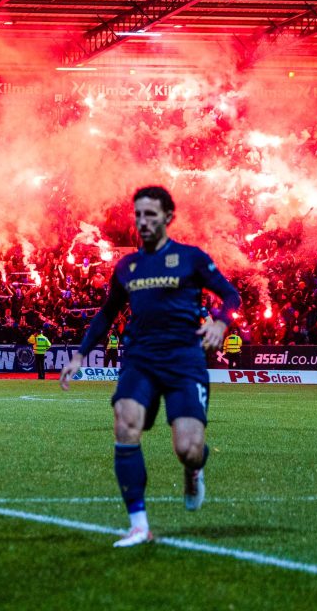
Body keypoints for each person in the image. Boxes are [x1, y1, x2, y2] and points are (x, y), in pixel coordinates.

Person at [60, 186, 240, 548]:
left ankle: (194, 468)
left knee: (187, 448)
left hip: (184, 360)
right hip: (140, 358)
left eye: (150, 215)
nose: (142, 221)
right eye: (138, 214)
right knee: (126, 424)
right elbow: (107, 313)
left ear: (168, 217)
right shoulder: (127, 267)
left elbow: (231, 295)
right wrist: (80, 353)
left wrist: (220, 321)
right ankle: (139, 525)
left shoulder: (191, 258)